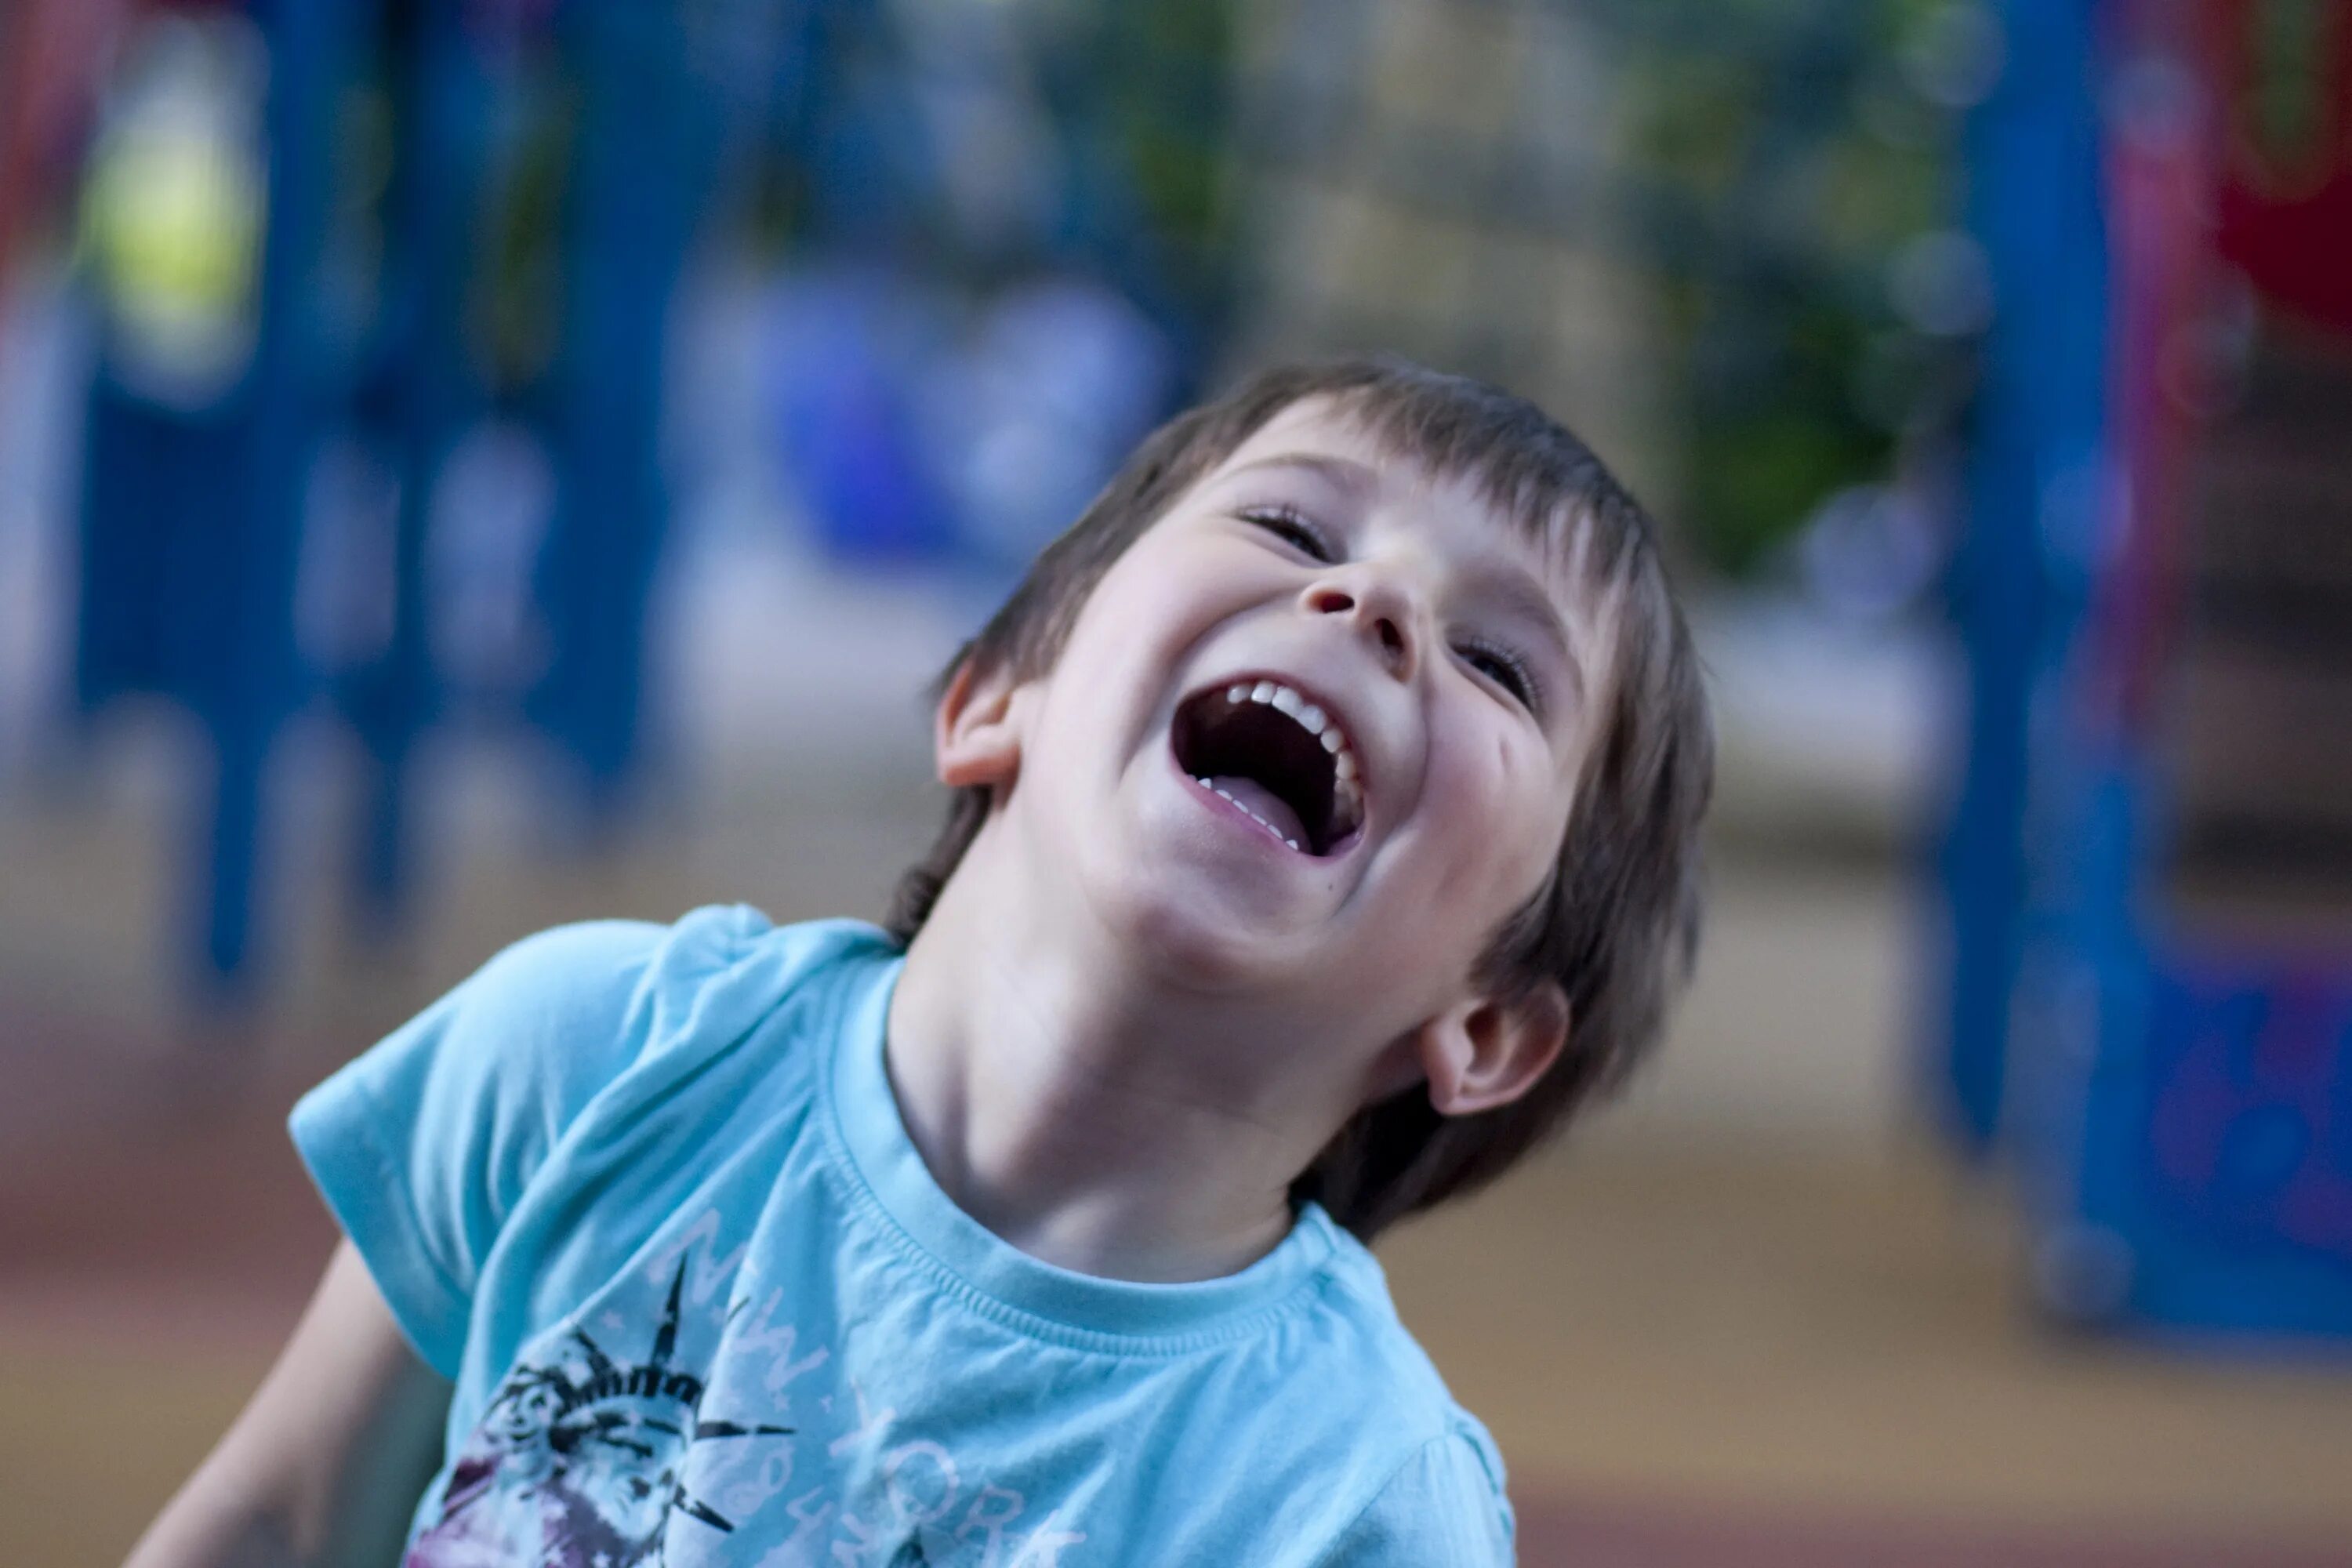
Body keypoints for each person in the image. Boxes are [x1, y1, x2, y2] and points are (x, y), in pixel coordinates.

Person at [125, 357, 1711, 1567]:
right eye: (1294, 523)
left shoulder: (1349, 1503)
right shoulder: (596, 1056)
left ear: (1491, 1024)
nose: (1369, 601)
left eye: (1502, 662)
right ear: (998, 694)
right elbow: (277, 1525)